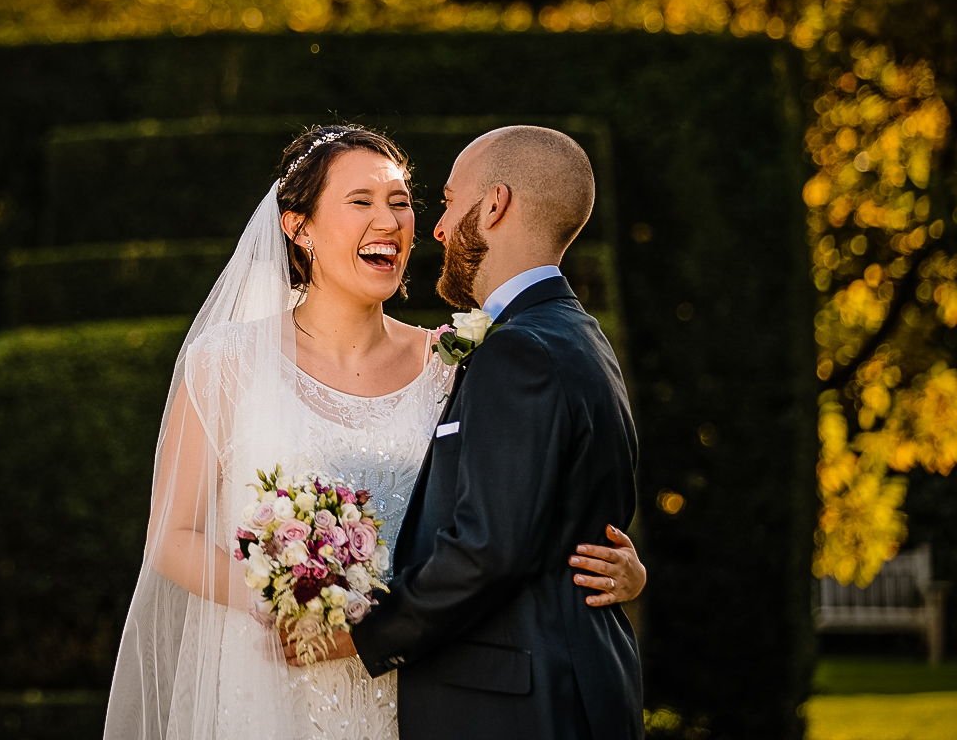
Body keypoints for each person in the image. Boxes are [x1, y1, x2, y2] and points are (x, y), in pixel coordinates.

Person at [103, 125, 645, 740]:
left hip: (422, 683)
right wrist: (288, 601)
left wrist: (614, 569)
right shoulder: (225, 362)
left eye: (402, 202)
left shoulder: (456, 362)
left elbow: (514, 508)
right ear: (297, 225)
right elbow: (173, 535)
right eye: (360, 202)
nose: (391, 221)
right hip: (279, 677)